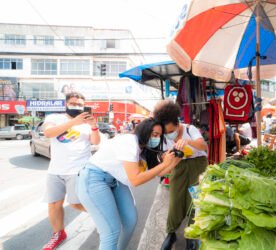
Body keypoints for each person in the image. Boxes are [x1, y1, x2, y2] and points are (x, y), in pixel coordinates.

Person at [77, 118, 181, 250]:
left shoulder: (144, 149)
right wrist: (165, 163)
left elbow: (160, 173)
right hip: (94, 179)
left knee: (130, 220)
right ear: (144, 131)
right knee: (111, 231)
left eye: (159, 136)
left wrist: (176, 160)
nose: (157, 138)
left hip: (114, 180)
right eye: (154, 134)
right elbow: (136, 180)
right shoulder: (129, 141)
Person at [42, 92, 101, 250]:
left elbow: (96, 142)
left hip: (78, 169)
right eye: (73, 103)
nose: (77, 106)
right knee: (54, 204)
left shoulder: (86, 122)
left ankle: (105, 219)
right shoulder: (54, 118)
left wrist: (94, 126)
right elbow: (48, 133)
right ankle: (58, 234)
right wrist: (73, 122)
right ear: (66, 104)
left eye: (80, 104)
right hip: (55, 170)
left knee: (76, 203)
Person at [153, 101, 208, 250]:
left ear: (178, 124)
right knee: (175, 199)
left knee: (194, 200)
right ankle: (171, 233)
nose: (170, 134)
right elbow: (163, 156)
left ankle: (192, 236)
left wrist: (188, 141)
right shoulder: (164, 137)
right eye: (167, 132)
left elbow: (204, 146)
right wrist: (167, 155)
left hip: (198, 164)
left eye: (172, 131)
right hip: (178, 164)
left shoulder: (190, 129)